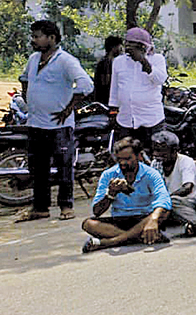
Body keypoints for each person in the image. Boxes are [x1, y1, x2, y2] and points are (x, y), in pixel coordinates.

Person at [16, 20, 93, 223]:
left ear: (52, 38)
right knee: (37, 168)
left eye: (38, 36)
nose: (34, 40)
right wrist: (28, 99)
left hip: (59, 126)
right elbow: (24, 78)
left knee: (63, 167)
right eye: (33, 36)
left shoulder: (65, 60)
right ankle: (40, 208)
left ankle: (66, 206)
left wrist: (68, 109)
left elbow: (86, 84)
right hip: (35, 123)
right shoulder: (33, 59)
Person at [81, 137, 171, 253]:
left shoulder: (151, 174)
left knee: (163, 211)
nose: (123, 163)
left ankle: (111, 242)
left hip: (144, 218)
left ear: (139, 156)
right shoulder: (108, 175)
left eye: (128, 159)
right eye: (119, 159)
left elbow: (163, 199)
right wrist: (111, 194)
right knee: (88, 224)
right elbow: (97, 211)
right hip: (120, 220)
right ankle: (141, 238)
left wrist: (153, 219)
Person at [109, 27, 167, 155]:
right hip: (126, 120)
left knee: (155, 156)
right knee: (128, 157)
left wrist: (142, 60)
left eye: (132, 44)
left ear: (143, 46)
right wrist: (113, 111)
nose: (128, 47)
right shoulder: (119, 62)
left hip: (152, 119)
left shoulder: (157, 59)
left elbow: (160, 79)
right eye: (127, 43)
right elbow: (115, 89)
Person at [149, 130, 196, 232]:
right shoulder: (155, 163)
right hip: (166, 205)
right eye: (155, 150)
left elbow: (187, 187)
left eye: (161, 151)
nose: (156, 154)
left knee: (172, 201)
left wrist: (165, 200)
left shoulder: (186, 161)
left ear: (174, 150)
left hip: (185, 203)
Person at [92, 35, 123, 106]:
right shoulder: (104, 64)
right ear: (113, 47)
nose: (121, 50)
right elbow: (105, 83)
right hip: (105, 102)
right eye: (119, 47)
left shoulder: (109, 62)